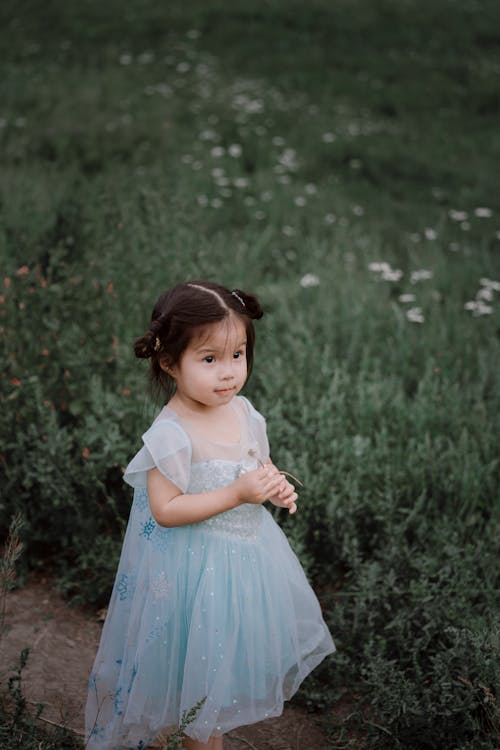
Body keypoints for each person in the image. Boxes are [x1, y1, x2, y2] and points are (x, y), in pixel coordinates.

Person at [85, 280, 335, 750]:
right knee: (196, 700)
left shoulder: (244, 412)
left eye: (238, 355)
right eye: (209, 359)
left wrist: (273, 486)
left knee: (217, 683)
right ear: (167, 362)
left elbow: (257, 465)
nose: (229, 373)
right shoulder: (170, 434)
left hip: (244, 568)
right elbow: (165, 510)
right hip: (191, 576)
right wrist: (237, 492)